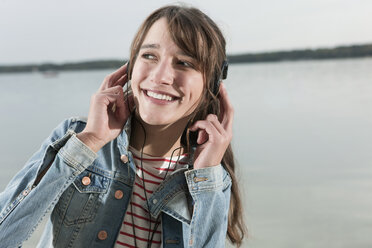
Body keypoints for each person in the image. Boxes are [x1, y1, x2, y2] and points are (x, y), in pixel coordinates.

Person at [0, 5, 246, 248]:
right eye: (149, 56)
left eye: (184, 63)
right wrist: (91, 141)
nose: (160, 76)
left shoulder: (209, 178)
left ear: (212, 85)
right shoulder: (75, 139)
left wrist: (207, 180)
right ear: (129, 69)